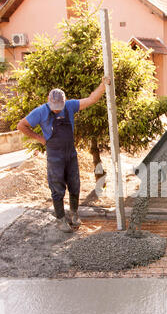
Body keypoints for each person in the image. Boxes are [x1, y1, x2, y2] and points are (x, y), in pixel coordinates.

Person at [17, 77, 111, 232]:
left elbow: (91, 99)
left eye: (59, 106)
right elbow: (21, 125)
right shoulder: (40, 111)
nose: (56, 109)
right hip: (54, 156)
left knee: (75, 185)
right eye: (54, 107)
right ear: (48, 101)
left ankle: (74, 214)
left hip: (70, 154)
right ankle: (61, 219)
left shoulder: (70, 106)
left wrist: (103, 84)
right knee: (57, 188)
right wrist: (41, 139)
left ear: (64, 101)